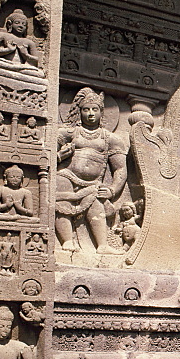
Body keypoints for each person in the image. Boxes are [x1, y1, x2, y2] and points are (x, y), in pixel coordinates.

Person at [55, 87, 127, 253]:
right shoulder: (69, 132)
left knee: (96, 205)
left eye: (95, 109)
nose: (90, 114)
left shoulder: (111, 138)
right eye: (86, 110)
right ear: (79, 112)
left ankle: (102, 245)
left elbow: (120, 168)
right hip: (67, 175)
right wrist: (59, 156)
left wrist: (112, 189)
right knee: (61, 197)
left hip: (93, 183)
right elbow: (46, 155)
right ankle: (66, 241)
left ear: (102, 112)